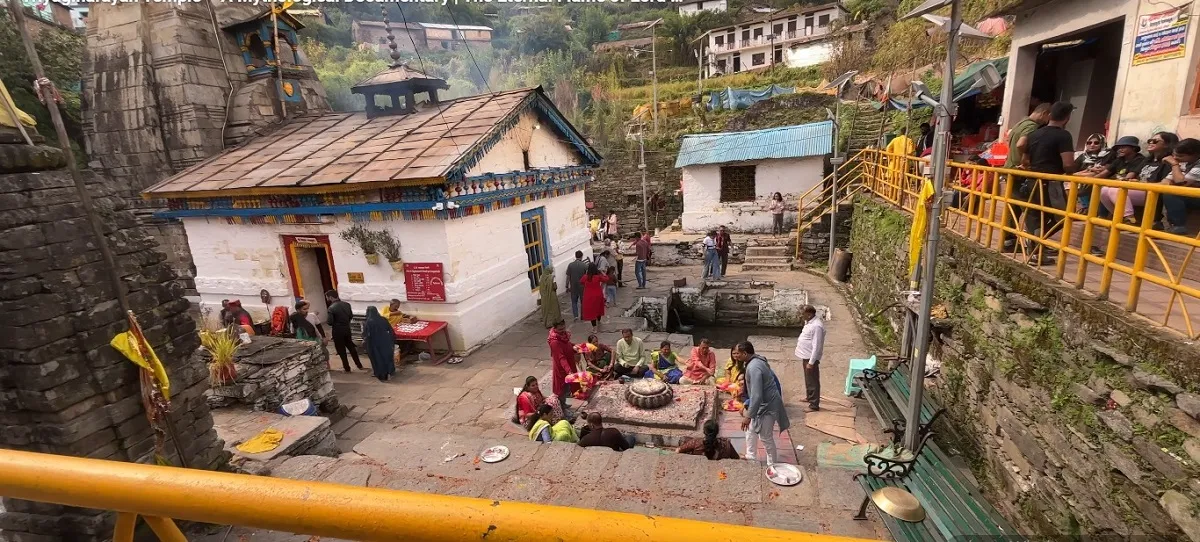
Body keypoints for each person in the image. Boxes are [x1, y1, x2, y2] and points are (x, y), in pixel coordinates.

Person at [1019, 101, 1077, 265]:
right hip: (1051, 181)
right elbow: (1068, 164)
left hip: (1032, 180)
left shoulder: (1034, 134)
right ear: (1067, 118)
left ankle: (1035, 246)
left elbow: (1025, 160)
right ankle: (1036, 244)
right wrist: (1079, 170)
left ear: (1050, 115)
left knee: (1035, 215)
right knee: (1064, 216)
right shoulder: (1064, 135)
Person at [999, 102, 1053, 252]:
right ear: (1045, 114)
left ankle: (1009, 240)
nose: (1048, 121)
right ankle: (1034, 247)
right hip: (1019, 173)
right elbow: (1021, 144)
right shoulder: (1031, 126)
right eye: (1048, 117)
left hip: (1010, 171)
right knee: (1030, 209)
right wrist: (1026, 159)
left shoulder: (1020, 123)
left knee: (1014, 208)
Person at [1100, 131, 1178, 225]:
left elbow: (1165, 183)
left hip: (1153, 194)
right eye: (1150, 140)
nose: (1151, 143)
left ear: (1167, 144)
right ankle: (1120, 217)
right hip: (1139, 190)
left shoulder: (1168, 161)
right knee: (1104, 190)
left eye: (1155, 141)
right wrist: (1133, 181)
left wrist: (1142, 183)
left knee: (1115, 191)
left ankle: (1130, 219)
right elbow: (1134, 174)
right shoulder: (1147, 160)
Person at [737, 341, 789, 466]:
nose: (736, 356)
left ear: (745, 353)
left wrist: (748, 416)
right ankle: (751, 456)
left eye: (738, 353)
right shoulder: (754, 361)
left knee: (765, 437)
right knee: (750, 430)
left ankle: (772, 464)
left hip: (768, 406)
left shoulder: (754, 367)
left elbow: (757, 395)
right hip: (760, 404)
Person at [1162, 137, 1200, 235]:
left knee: (1171, 193)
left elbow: (1180, 183)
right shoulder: (1184, 163)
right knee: (1157, 192)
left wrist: (1174, 165)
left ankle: (1178, 226)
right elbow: (1165, 182)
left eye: (1181, 156)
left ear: (1196, 155)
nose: (1175, 158)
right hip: (1193, 194)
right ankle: (1157, 222)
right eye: (1174, 155)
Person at [794, 305, 825, 411]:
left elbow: (817, 345)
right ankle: (809, 397)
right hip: (805, 355)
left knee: (812, 380)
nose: (801, 316)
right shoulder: (810, 322)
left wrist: (811, 362)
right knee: (808, 379)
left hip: (810, 357)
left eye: (803, 314)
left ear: (809, 314)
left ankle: (814, 404)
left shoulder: (817, 326)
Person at [326, 290, 363, 373]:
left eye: (328, 297)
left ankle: (347, 367)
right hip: (347, 328)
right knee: (351, 347)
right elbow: (351, 316)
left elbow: (330, 322)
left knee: (341, 350)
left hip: (337, 330)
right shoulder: (347, 304)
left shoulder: (331, 308)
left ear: (331, 297)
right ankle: (359, 364)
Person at [361, 306, 397, 382]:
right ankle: (390, 371)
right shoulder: (383, 319)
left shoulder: (368, 322)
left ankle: (381, 375)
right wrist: (391, 340)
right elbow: (390, 330)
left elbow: (366, 334)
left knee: (377, 359)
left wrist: (365, 342)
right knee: (386, 357)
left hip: (374, 343)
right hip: (385, 341)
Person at [548, 321, 577, 409]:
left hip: (569, 364)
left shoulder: (564, 336)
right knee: (562, 389)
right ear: (555, 328)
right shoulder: (555, 342)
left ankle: (563, 404)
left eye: (563, 328)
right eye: (560, 329)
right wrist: (569, 371)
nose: (562, 331)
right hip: (562, 369)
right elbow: (561, 358)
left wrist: (575, 347)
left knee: (567, 388)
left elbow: (567, 345)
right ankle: (561, 407)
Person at [579, 263, 610, 334]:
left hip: (588, 296)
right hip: (598, 295)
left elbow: (581, 282)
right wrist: (603, 273)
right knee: (598, 309)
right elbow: (606, 279)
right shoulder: (598, 277)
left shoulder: (585, 277)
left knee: (591, 312)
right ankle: (598, 322)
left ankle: (594, 328)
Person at [565, 251, 590, 321]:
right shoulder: (584, 265)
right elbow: (587, 276)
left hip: (573, 286)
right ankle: (583, 315)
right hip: (582, 286)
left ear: (575, 256)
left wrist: (567, 285)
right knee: (583, 301)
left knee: (574, 301)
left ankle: (575, 316)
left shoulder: (570, 265)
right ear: (581, 256)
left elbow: (568, 276)